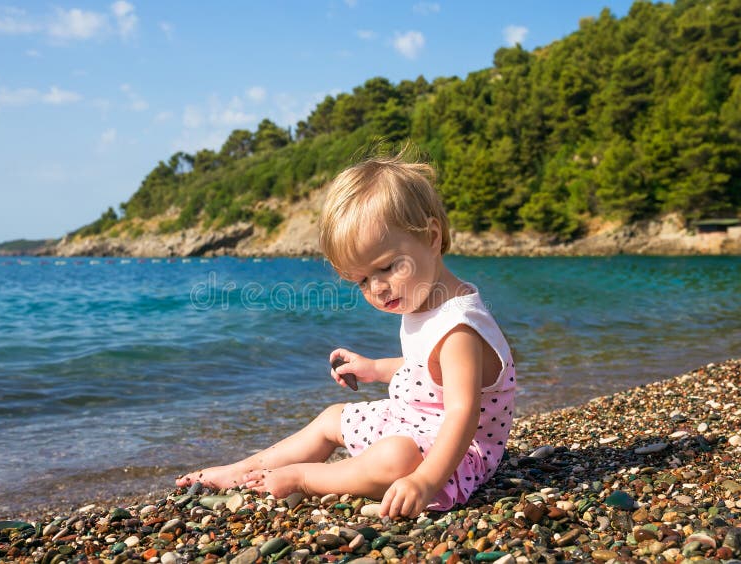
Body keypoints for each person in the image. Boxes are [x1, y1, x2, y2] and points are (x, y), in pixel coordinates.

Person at [176, 150, 516, 518]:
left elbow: (462, 414)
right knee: (331, 417)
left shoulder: (458, 329)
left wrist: (425, 481)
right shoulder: (425, 300)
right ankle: (245, 469)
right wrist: (375, 368)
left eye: (386, 267)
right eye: (362, 281)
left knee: (395, 456)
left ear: (432, 237)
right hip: (415, 421)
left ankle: (309, 477)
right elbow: (427, 368)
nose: (378, 288)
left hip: (455, 455)